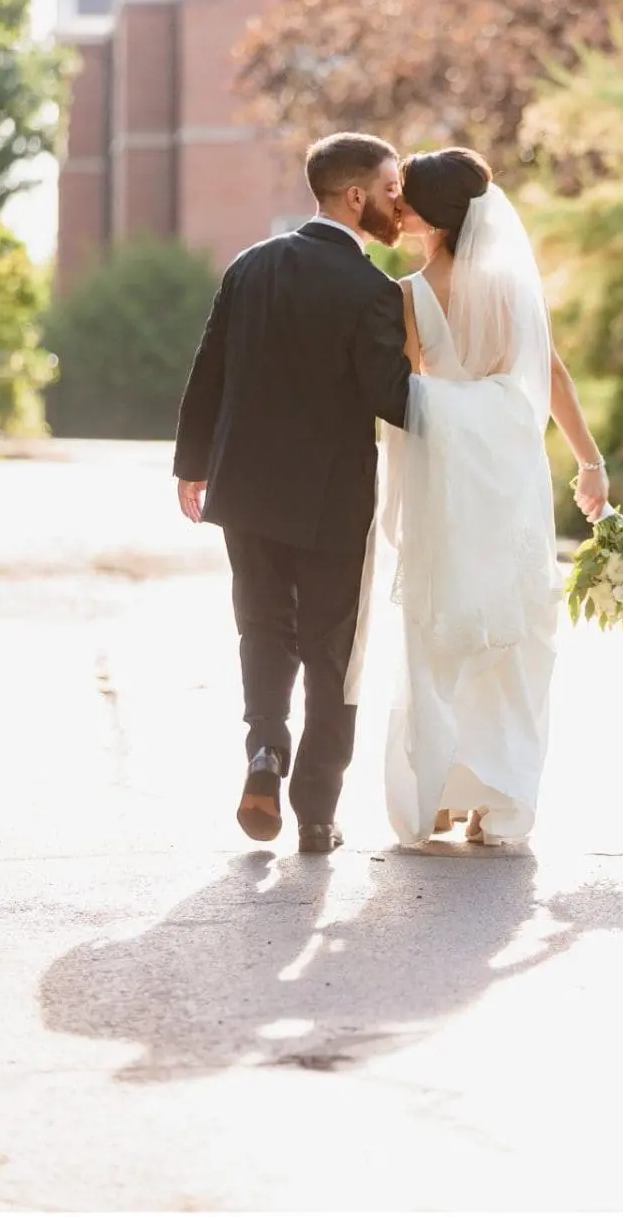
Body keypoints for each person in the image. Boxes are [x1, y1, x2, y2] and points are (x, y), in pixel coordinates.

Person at [174, 132, 414, 855]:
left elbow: (208, 365)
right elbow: (390, 397)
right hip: (331, 500)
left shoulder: (251, 265)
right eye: (391, 189)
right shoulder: (370, 289)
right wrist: (470, 408)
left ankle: (263, 753)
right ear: (354, 196)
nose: (399, 205)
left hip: (244, 488)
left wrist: (192, 463)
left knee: (263, 629)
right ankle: (316, 810)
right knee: (330, 648)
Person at [361, 147, 608, 847]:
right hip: (510, 471)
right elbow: (552, 373)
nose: (397, 208)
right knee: (513, 624)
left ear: (431, 213)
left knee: (441, 621)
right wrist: (589, 460)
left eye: (405, 198)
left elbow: (404, 397)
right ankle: (495, 797)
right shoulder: (512, 287)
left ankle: (436, 791)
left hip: (447, 476)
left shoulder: (410, 294)